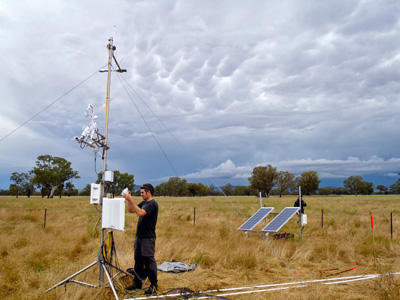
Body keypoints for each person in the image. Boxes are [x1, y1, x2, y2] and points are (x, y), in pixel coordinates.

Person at [123, 183, 159, 295]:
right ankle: (137, 284)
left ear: (148, 192)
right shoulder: (144, 203)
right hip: (139, 237)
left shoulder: (152, 204)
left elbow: (140, 213)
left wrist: (131, 199)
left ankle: (153, 285)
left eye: (142, 193)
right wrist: (129, 201)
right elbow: (131, 210)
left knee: (149, 261)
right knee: (138, 261)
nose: (141, 195)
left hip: (148, 238)